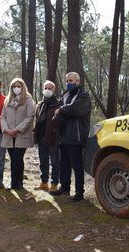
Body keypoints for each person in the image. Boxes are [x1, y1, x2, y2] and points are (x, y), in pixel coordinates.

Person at [50, 72, 91, 202]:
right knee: (64, 164)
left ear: (78, 82)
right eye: (67, 80)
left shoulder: (84, 96)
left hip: (76, 136)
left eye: (71, 80)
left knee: (77, 165)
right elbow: (62, 110)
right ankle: (65, 187)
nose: (69, 83)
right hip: (63, 135)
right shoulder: (65, 95)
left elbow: (76, 110)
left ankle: (79, 192)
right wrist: (61, 111)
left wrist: (61, 110)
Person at [0, 78, 36, 190]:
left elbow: (30, 116)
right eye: (14, 86)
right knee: (13, 159)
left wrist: (18, 129)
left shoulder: (28, 99)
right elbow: (2, 117)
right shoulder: (7, 100)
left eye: (18, 86)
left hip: (21, 134)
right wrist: (6, 130)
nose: (16, 88)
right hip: (9, 135)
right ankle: (13, 182)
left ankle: (19, 182)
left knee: (17, 158)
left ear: (23, 87)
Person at [33, 80, 61, 192]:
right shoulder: (40, 104)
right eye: (46, 88)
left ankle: (54, 184)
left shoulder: (58, 104)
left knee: (55, 162)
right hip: (41, 137)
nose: (48, 90)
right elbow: (37, 120)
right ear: (43, 89)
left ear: (54, 90)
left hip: (53, 137)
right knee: (43, 161)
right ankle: (44, 183)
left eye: (50, 88)